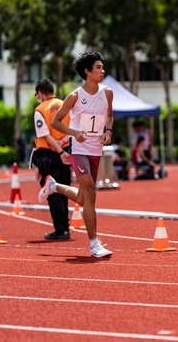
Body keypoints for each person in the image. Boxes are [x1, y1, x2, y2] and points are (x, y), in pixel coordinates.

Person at [39, 50, 114, 258]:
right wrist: (74, 133)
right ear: (87, 71)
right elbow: (55, 122)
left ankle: (53, 186)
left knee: (83, 197)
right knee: (90, 192)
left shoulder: (107, 93)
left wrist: (108, 131)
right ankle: (94, 245)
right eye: (98, 67)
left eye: (102, 66)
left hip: (96, 150)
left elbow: (109, 116)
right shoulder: (75, 97)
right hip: (79, 150)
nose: (102, 70)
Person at [31, 79, 72, 240]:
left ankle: (61, 229)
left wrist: (59, 150)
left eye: (37, 95)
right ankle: (65, 227)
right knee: (64, 189)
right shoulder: (65, 105)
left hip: (49, 154)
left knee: (52, 189)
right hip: (67, 152)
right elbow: (72, 128)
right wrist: (63, 146)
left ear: (40, 93)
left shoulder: (40, 109)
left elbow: (45, 135)